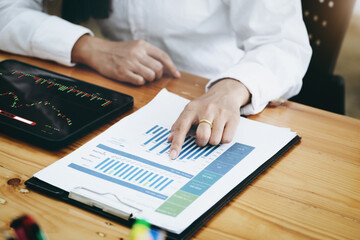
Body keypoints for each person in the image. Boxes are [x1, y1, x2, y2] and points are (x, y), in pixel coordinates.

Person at [0, 0, 312, 159]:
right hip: (103, 87)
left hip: (219, 94)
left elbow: (284, 43)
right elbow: (7, 9)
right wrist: (87, 46)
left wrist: (232, 87)